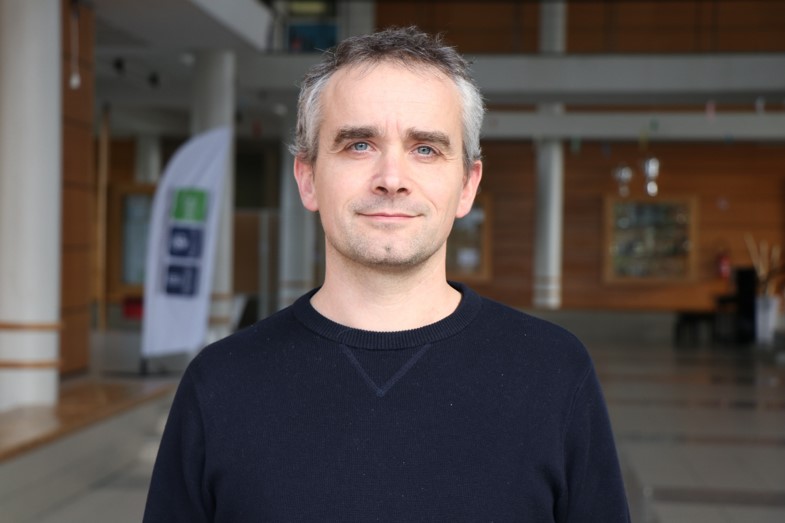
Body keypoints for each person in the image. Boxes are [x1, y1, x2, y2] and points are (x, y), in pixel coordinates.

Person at [143, 26, 630, 522]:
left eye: (426, 149)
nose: (392, 179)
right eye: (359, 145)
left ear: (467, 185)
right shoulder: (220, 384)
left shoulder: (554, 374)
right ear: (307, 179)